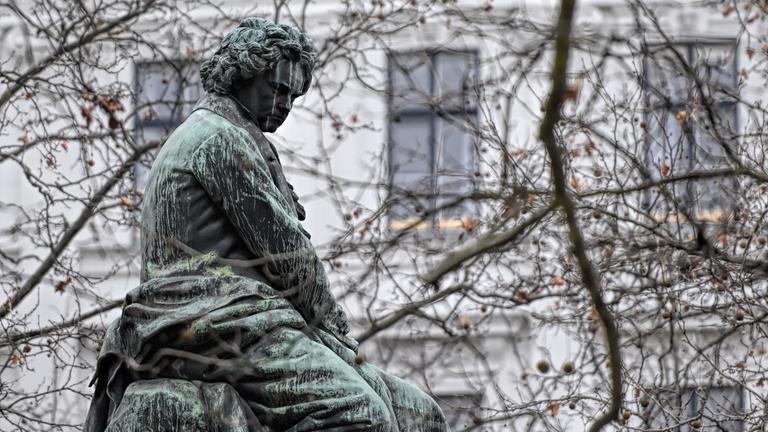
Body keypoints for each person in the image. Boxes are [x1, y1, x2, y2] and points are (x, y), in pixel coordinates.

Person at [84, 17, 449, 432]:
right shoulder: (216, 139)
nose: (285, 106)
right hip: (208, 319)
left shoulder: (241, 138)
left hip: (252, 319)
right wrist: (340, 337)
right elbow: (289, 256)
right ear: (242, 74)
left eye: (293, 96)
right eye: (277, 90)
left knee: (422, 414)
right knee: (361, 414)